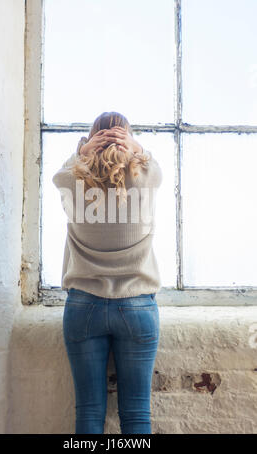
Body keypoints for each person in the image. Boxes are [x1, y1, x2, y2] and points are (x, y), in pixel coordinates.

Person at [52, 111, 163, 434]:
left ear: (92, 140)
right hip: (138, 305)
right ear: (125, 139)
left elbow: (59, 175)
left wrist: (82, 151)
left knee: (88, 413)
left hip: (83, 307)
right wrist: (135, 146)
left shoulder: (73, 182)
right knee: (137, 414)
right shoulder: (147, 178)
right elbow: (150, 162)